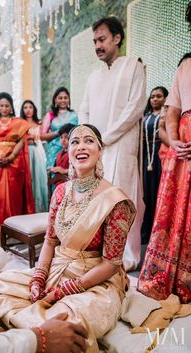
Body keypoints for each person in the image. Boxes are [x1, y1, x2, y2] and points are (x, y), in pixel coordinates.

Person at [0, 124, 136, 353]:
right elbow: (50, 240)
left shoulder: (115, 200)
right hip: (57, 268)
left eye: (89, 141)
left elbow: (111, 264)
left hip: (95, 279)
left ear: (100, 150)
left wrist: (67, 290)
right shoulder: (61, 191)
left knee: (67, 325)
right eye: (75, 141)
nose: (81, 146)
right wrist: (38, 276)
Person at [78, 16, 147, 271]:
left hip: (121, 146)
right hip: (98, 148)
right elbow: (83, 110)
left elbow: (135, 107)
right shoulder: (93, 77)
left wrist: (104, 137)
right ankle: (101, 253)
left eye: (102, 39)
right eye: (95, 40)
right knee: (98, 201)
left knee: (124, 200)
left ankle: (127, 257)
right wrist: (88, 139)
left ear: (117, 39)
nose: (97, 45)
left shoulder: (134, 66)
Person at [137, 14, 191, 304]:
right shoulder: (185, 65)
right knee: (176, 211)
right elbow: (173, 111)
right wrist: (176, 140)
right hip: (182, 150)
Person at [0, 92, 35, 238]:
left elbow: (22, 141)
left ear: (11, 108)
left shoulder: (18, 123)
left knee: (13, 195)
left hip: (13, 164)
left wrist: (10, 157)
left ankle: (13, 228)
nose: (4, 108)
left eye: (7, 106)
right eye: (1, 105)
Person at [141, 86, 168, 244]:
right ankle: (146, 233)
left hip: (160, 156)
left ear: (165, 99)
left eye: (159, 96)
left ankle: (160, 235)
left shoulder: (166, 115)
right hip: (147, 159)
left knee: (160, 192)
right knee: (147, 195)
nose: (155, 99)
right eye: (152, 96)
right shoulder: (144, 117)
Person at [20, 100, 48, 212]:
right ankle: (28, 208)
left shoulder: (39, 123)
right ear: (22, 110)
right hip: (25, 152)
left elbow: (42, 137)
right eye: (25, 107)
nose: (28, 110)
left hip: (37, 151)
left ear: (34, 109)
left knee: (39, 177)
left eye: (30, 107)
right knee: (28, 177)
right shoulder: (20, 123)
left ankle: (39, 208)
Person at [41, 87, 78, 168]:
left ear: (69, 99)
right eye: (60, 98)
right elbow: (42, 136)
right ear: (55, 100)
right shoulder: (50, 115)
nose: (63, 100)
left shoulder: (75, 115)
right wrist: (59, 132)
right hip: (54, 151)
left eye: (65, 98)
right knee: (55, 177)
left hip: (71, 150)